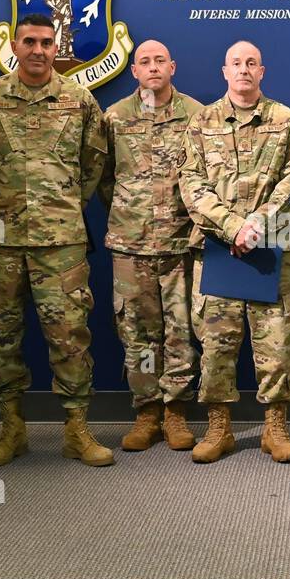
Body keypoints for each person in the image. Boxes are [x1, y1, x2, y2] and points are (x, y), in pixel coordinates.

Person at [0, 13, 111, 467]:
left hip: (60, 242)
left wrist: (59, 205)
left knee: (70, 336)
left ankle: (76, 431)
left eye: (47, 42)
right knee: (0, 334)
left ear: (55, 45)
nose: (38, 50)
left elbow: (93, 165)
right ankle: (11, 429)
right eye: (29, 41)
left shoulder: (80, 101)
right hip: (0, 239)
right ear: (14, 44)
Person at [179, 41, 290, 463]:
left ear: (263, 70)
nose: (244, 70)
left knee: (276, 343)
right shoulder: (201, 123)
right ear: (224, 71)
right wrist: (235, 227)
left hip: (269, 252)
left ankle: (275, 427)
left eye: (251, 63)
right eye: (236, 63)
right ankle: (220, 428)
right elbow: (192, 186)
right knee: (216, 345)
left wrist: (259, 224)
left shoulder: (287, 121)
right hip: (218, 250)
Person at [99, 39, 204, 452]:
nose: (153, 66)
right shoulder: (115, 118)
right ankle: (146, 411)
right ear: (134, 72)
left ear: (172, 66)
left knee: (180, 329)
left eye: (161, 59)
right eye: (145, 61)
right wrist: (133, 212)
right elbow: (102, 176)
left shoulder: (196, 116)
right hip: (130, 243)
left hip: (181, 242)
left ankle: (176, 412)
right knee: (137, 331)